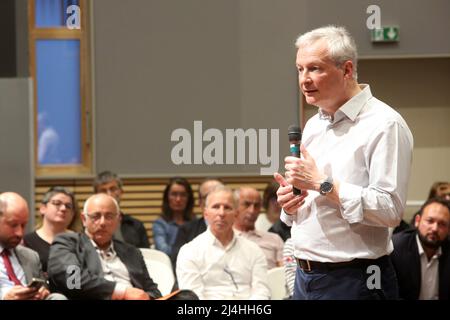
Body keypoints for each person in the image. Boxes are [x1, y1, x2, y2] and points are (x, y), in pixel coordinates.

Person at [274, 25, 413, 299]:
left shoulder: (384, 124)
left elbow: (390, 210)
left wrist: (322, 184)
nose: (304, 79)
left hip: (357, 279)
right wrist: (290, 203)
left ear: (347, 70)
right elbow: (312, 201)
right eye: (300, 69)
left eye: (314, 68)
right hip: (305, 276)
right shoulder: (314, 124)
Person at [47, 193, 162, 300]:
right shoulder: (67, 243)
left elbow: (154, 291)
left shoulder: (131, 252)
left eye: (109, 216)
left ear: (118, 220)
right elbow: (73, 281)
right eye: (96, 216)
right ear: (84, 219)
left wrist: (145, 297)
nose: (102, 222)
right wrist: (122, 292)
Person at [176, 186, 270, 300]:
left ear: (236, 214)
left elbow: (262, 292)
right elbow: (193, 297)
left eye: (227, 207)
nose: (221, 213)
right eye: (216, 207)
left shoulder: (254, 250)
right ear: (205, 213)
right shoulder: (189, 251)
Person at [0, 192, 65, 300]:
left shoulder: (31, 256)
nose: (20, 233)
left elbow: (44, 286)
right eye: (13, 225)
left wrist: (43, 291)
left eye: (23, 225)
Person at [391, 198, 450, 300]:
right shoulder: (395, 248)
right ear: (417, 221)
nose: (435, 228)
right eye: (430, 221)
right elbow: (389, 293)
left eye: (442, 224)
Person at [23, 186, 82, 273]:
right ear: (43, 208)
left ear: (72, 214)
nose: (63, 209)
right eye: (57, 203)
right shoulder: (27, 242)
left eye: (68, 206)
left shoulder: (80, 241)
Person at [171, 178, 224, 267]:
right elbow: (177, 264)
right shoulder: (186, 231)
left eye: (219, 196)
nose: (214, 200)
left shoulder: (237, 229)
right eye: (208, 197)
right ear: (200, 203)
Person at [94, 170, 150, 248]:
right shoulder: (90, 226)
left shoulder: (136, 226)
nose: (109, 194)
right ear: (96, 195)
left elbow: (146, 257)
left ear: (121, 192)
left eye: (113, 189)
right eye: (103, 190)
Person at [233, 187, 284, 269]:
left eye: (256, 206)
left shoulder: (275, 240)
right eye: (247, 204)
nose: (252, 210)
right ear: (234, 207)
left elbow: (284, 273)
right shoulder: (224, 238)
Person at [153, 177, 194, 256]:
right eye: (174, 194)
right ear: (167, 197)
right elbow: (163, 251)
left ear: (188, 198)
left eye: (183, 195)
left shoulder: (196, 223)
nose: (178, 199)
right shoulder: (160, 224)